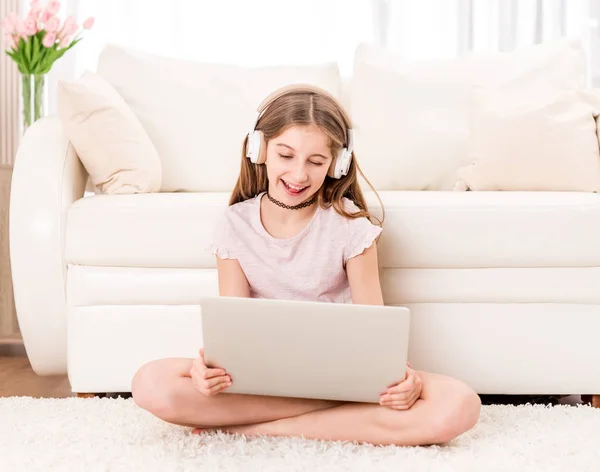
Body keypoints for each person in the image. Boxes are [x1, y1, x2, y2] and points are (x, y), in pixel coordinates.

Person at [131, 84, 481, 447]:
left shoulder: (353, 229)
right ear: (259, 149)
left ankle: (257, 429)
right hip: (263, 381)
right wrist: (207, 371)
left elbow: (375, 335)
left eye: (316, 162)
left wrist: (403, 380)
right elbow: (231, 332)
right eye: (286, 155)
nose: (299, 176)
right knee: (150, 383)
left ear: (337, 164)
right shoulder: (233, 225)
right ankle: (330, 416)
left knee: (459, 404)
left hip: (345, 378)